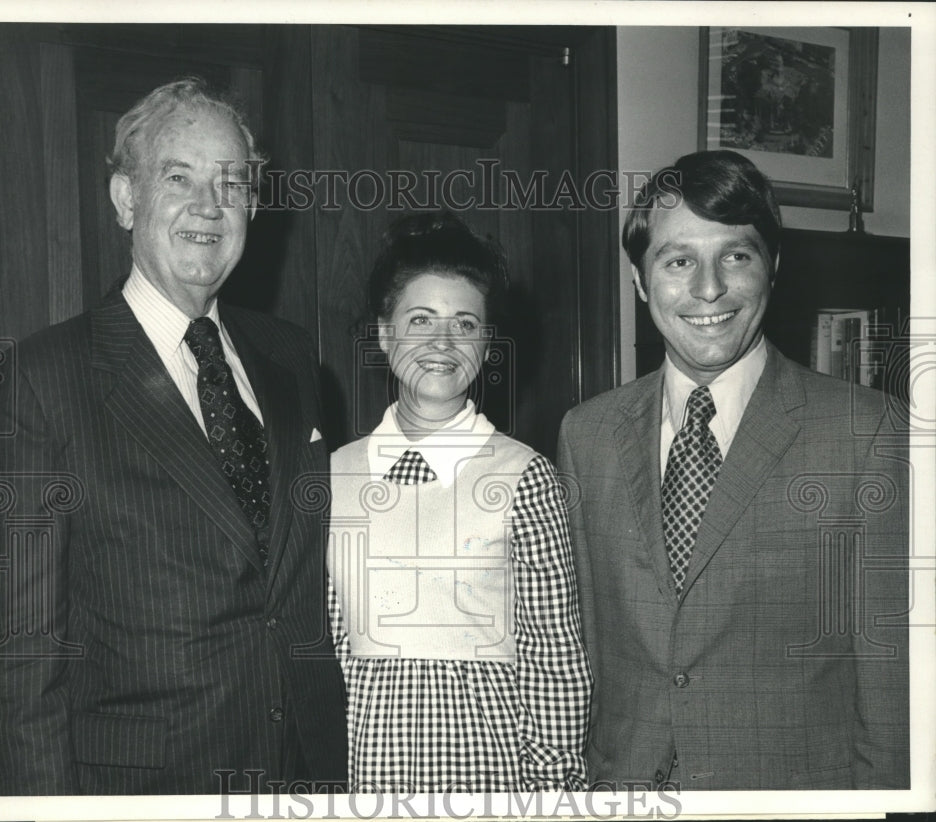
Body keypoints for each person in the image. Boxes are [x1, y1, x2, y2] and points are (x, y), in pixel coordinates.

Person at [0, 78, 346, 795]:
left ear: (254, 206)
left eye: (231, 183)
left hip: (304, 775)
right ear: (125, 200)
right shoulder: (42, 381)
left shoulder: (290, 356)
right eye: (179, 178)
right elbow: (17, 659)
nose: (209, 206)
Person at [558, 150, 909, 790]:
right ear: (640, 279)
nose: (708, 288)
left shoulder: (869, 431)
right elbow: (581, 655)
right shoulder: (587, 435)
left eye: (736, 256)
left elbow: (894, 684)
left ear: (773, 266)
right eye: (678, 260)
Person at [327, 212, 591, 793]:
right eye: (420, 320)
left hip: (491, 771)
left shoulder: (526, 477)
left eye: (465, 323)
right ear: (384, 333)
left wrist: (549, 792)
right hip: (361, 768)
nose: (442, 343)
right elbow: (328, 648)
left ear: (486, 343)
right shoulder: (331, 476)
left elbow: (556, 661)